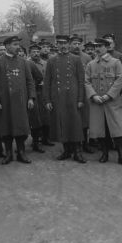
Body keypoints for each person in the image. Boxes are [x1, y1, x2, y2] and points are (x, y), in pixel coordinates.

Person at [0, 36, 36, 164]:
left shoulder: (23, 62)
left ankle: (21, 153)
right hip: (5, 103)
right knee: (6, 128)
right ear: (8, 46)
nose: (18, 47)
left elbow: (30, 81)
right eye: (15, 44)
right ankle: (8, 153)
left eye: (18, 44)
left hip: (21, 102)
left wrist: (31, 97)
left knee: (21, 128)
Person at [85, 38, 122, 166]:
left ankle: (121, 156)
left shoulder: (116, 63)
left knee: (118, 128)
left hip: (112, 102)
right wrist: (93, 96)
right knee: (100, 129)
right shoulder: (91, 64)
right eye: (95, 46)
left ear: (106, 47)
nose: (97, 49)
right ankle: (104, 153)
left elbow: (119, 80)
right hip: (97, 102)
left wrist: (108, 95)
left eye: (100, 46)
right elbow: (86, 82)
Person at [42, 34, 86, 163]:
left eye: (65, 43)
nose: (62, 46)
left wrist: (80, 99)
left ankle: (78, 152)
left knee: (75, 124)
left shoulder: (76, 59)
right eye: (60, 43)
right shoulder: (51, 60)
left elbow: (81, 81)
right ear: (57, 45)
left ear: (68, 44)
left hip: (72, 97)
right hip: (58, 98)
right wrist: (48, 100)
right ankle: (67, 150)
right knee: (62, 124)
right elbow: (47, 82)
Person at [70, 34, 95, 154]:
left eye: (78, 44)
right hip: (71, 92)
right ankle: (73, 144)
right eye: (74, 44)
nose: (76, 46)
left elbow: (91, 76)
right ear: (70, 45)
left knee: (84, 119)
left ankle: (85, 143)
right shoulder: (67, 57)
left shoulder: (87, 58)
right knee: (72, 118)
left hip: (85, 92)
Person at [26, 43, 46, 153]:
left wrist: (33, 87)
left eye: (37, 51)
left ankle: (36, 143)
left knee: (35, 120)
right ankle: (21, 145)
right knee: (23, 120)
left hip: (32, 96)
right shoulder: (19, 63)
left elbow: (39, 77)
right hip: (20, 97)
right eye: (33, 51)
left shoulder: (29, 64)